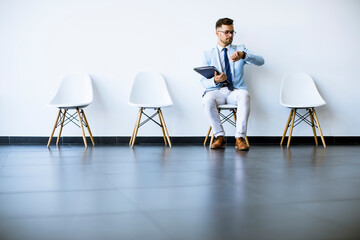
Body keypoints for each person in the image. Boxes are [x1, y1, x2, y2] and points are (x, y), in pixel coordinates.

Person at [200, 18, 264, 151]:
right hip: (217, 91)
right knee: (207, 99)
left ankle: (240, 138)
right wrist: (215, 80)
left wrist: (244, 55)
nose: (230, 35)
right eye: (227, 32)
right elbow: (203, 81)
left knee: (244, 95)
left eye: (232, 32)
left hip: (235, 90)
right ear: (217, 33)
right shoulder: (208, 54)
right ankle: (219, 136)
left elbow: (261, 61)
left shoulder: (240, 49)